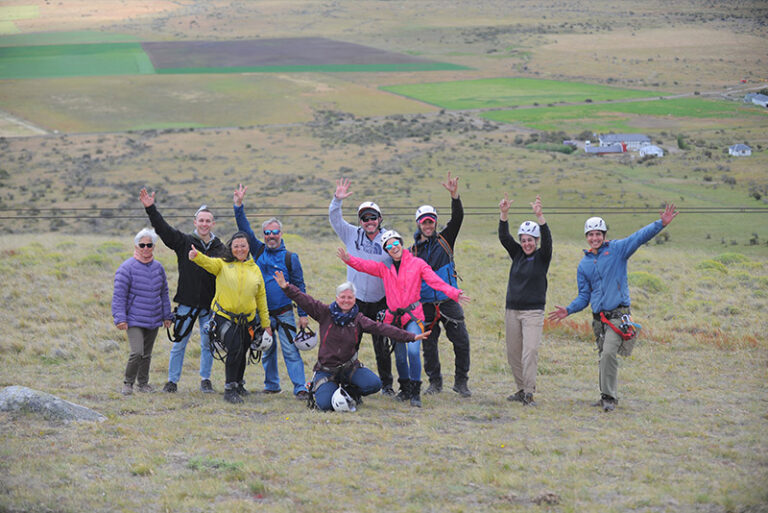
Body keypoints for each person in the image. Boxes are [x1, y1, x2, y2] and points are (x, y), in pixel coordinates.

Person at [548, 204, 679, 412]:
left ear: (604, 235)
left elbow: (638, 237)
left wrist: (660, 224)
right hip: (599, 320)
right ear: (586, 237)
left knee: (609, 353)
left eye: (598, 234)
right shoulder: (584, 265)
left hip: (618, 316)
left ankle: (609, 397)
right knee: (603, 356)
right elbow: (584, 296)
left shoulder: (618, 250)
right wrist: (569, 309)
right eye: (590, 235)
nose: (594, 238)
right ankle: (605, 396)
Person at [338, 230, 470, 407]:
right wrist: (348, 259)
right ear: (386, 250)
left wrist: (454, 293)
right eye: (388, 246)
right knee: (400, 357)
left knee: (414, 352)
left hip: (414, 316)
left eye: (395, 243)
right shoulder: (384, 268)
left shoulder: (418, 264)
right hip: (394, 319)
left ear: (400, 243)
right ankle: (405, 389)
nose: (393, 248)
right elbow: (364, 265)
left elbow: (434, 281)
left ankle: (416, 391)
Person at [273, 271, 432, 411]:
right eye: (343, 297)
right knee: (325, 406)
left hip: (350, 368)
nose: (346, 300)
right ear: (337, 298)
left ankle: (350, 391)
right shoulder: (324, 312)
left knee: (374, 384)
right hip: (326, 370)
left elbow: (381, 328)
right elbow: (304, 300)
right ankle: (326, 388)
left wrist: (410, 336)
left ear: (354, 299)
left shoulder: (359, 319)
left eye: (349, 297)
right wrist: (287, 288)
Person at [140, 188, 226, 394]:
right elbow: (164, 229)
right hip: (187, 303)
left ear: (213, 224)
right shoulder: (184, 241)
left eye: (208, 221)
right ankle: (172, 381)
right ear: (195, 222)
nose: (204, 224)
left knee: (208, 344)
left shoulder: (221, 248)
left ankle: (205, 379)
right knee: (179, 344)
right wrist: (151, 208)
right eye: (201, 220)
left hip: (209, 306)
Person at [233, 184, 309, 399]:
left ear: (281, 234)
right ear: (263, 235)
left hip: (285, 312)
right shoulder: (257, 250)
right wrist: (238, 206)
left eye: (275, 232)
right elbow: (244, 228)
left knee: (291, 351)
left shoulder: (290, 258)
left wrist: (303, 315)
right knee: (267, 350)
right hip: (261, 313)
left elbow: (300, 287)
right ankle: (272, 384)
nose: (271, 236)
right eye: (267, 233)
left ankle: (300, 388)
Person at [188, 232, 272, 404]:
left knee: (243, 351)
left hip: (248, 320)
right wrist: (197, 257)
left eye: (243, 246)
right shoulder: (222, 264)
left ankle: (239, 384)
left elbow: (261, 297)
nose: (240, 249)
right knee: (234, 348)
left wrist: (266, 323)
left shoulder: (255, 269)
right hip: (223, 317)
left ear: (248, 248)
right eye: (236, 246)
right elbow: (209, 263)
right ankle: (229, 389)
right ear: (231, 248)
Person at [330, 178, 396, 396]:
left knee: (382, 344)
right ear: (360, 221)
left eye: (373, 217)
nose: (369, 221)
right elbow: (335, 219)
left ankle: (387, 385)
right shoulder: (351, 234)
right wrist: (337, 201)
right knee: (350, 343)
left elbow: (400, 261)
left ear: (380, 219)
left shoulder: (389, 239)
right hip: (355, 301)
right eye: (365, 218)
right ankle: (345, 380)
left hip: (381, 300)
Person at [410, 172, 472, 398]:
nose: (428, 225)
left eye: (431, 221)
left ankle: (461, 382)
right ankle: (434, 383)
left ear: (435, 222)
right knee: (429, 345)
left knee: (462, 341)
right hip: (425, 303)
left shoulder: (446, 239)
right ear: (419, 224)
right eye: (424, 222)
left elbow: (458, 218)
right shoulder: (412, 252)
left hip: (448, 300)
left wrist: (454, 196)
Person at [498, 194, 552, 406]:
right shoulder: (517, 254)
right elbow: (504, 238)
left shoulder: (542, 256)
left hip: (533, 312)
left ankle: (529, 392)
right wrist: (504, 214)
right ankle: (520, 389)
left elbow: (548, 241)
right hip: (512, 310)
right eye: (523, 240)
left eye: (530, 240)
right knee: (513, 353)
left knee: (530, 351)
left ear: (536, 241)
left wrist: (540, 217)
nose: (526, 243)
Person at [112, 228, 173, 395]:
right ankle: (128, 383)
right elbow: (119, 296)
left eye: (149, 245)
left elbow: (164, 293)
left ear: (154, 247)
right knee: (137, 352)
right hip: (133, 319)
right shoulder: (126, 268)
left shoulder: (158, 268)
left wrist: (167, 315)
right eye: (142, 245)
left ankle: (143, 384)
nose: (146, 248)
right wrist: (120, 318)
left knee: (147, 354)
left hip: (153, 319)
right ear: (136, 246)